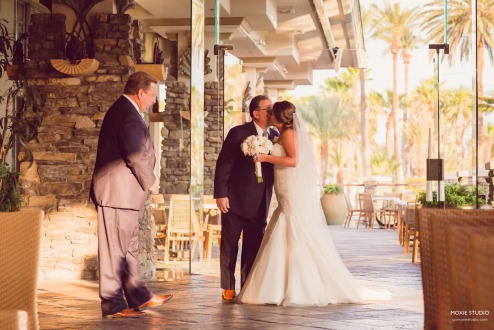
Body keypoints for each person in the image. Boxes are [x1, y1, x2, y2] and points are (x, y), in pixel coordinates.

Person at [236, 101, 390, 306]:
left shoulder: (290, 134)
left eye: (273, 113)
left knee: (291, 226)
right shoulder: (280, 134)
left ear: (281, 117)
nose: (270, 115)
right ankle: (280, 283)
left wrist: (265, 157)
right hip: (284, 187)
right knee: (284, 224)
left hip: (290, 187)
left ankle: (296, 284)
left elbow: (294, 160)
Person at [90, 71, 172, 318]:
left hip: (124, 196)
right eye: (152, 95)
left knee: (128, 249)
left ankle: (140, 297)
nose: (153, 101)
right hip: (116, 194)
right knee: (115, 252)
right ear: (140, 93)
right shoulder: (126, 114)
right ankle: (113, 305)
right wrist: (150, 181)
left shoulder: (127, 112)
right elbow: (135, 155)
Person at [214, 95, 280, 301]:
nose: (272, 113)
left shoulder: (275, 135)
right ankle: (228, 287)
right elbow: (223, 164)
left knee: (253, 247)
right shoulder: (238, 132)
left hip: (260, 203)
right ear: (256, 113)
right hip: (234, 200)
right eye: (268, 109)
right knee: (229, 246)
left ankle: (248, 285)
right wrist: (221, 194)